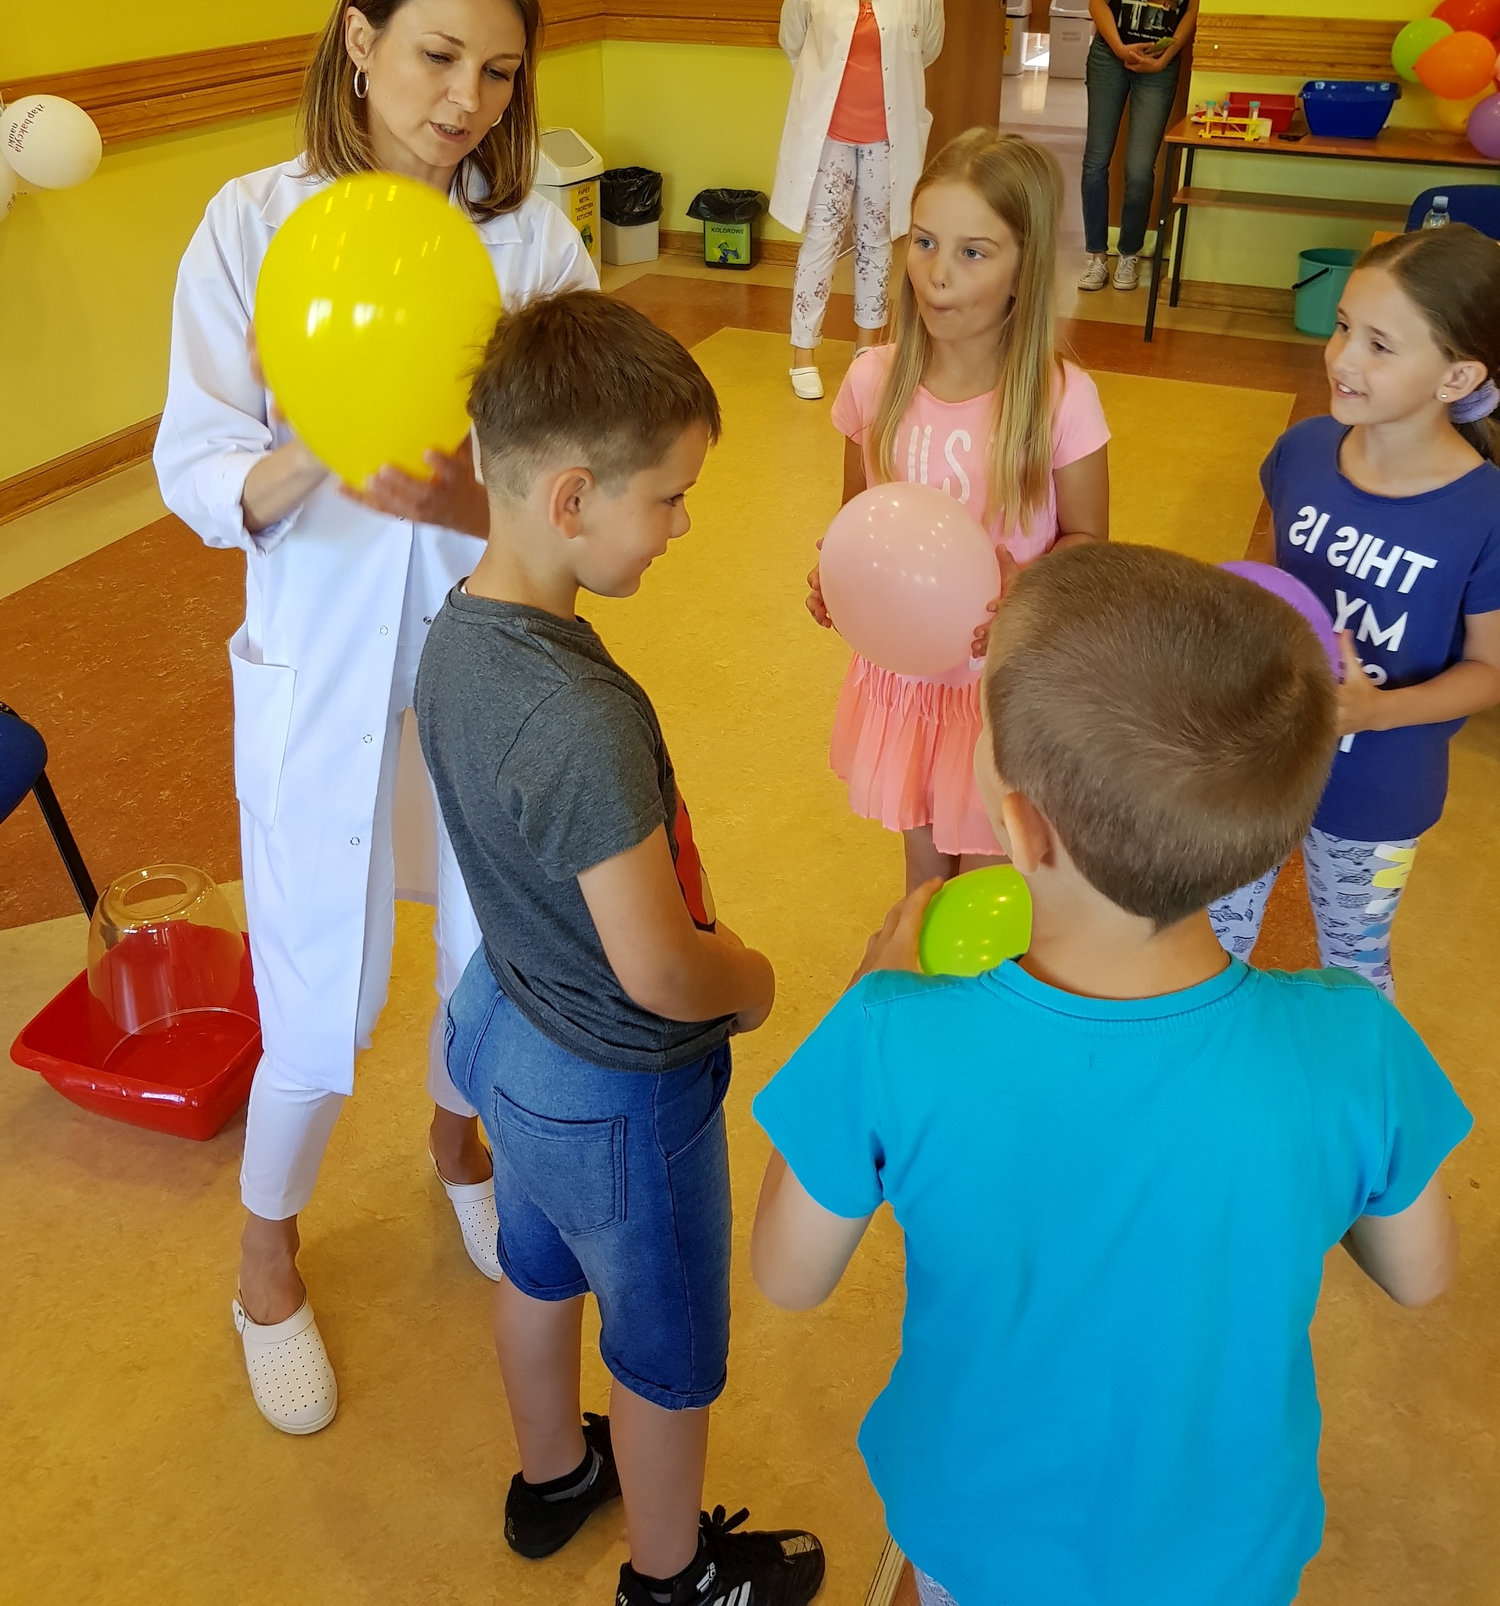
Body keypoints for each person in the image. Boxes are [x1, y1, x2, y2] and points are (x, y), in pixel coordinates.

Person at [752, 542, 1470, 1606]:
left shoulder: (891, 1035)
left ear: (1020, 825)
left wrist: (865, 995)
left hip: (978, 1533)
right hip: (1225, 1553)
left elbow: (787, 1274)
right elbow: (1419, 1272)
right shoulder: (1352, 1041)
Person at [154, 0, 598, 1435]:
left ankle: (457, 1147)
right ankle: (263, 1257)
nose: (465, 100)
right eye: (436, 56)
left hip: (489, 657)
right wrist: (313, 454)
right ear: (360, 39)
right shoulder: (251, 221)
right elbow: (193, 457)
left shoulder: (530, 239)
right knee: (314, 996)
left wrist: (466, 495)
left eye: (498, 72)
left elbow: (583, 475)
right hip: (321, 662)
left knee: (494, 959)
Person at [416, 291, 825, 1606]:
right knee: (662, 1353)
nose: (684, 524)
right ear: (573, 497)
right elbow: (658, 968)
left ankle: (552, 1477)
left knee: (538, 1268)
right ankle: (673, 1575)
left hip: (508, 1031)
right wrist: (748, 981)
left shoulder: (456, 636)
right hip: (614, 1084)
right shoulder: (577, 719)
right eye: (671, 498)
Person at [806, 130, 1109, 890]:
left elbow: (1089, 540)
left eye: (974, 252)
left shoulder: (1062, 399)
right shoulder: (874, 382)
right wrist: (834, 582)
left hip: (1002, 688)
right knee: (924, 877)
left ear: (1024, 270)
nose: (938, 274)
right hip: (907, 684)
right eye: (925, 242)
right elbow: (856, 522)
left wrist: (1027, 588)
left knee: (989, 884)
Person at [1210, 226, 1500, 996]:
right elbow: (1275, 585)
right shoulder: (1304, 450)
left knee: (1355, 965)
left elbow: (1490, 671)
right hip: (1260, 759)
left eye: (1379, 345)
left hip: (1379, 790)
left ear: (1456, 376)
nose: (1341, 358)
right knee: (1209, 943)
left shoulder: (1485, 513)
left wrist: (1379, 711)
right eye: (1343, 326)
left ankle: (1367, 1075)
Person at [771, 0, 945, 402]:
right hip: (829, 135)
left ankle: (868, 350)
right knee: (820, 239)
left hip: (887, 138)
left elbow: (929, 46)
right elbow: (793, 38)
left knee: (876, 242)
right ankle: (803, 352)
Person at [1077, 0, 1208, 295]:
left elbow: (1194, 7)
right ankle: (1096, 255)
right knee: (1096, 160)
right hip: (1110, 55)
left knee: (1139, 170)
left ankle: (1130, 254)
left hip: (1159, 63)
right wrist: (1118, 47)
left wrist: (1167, 53)